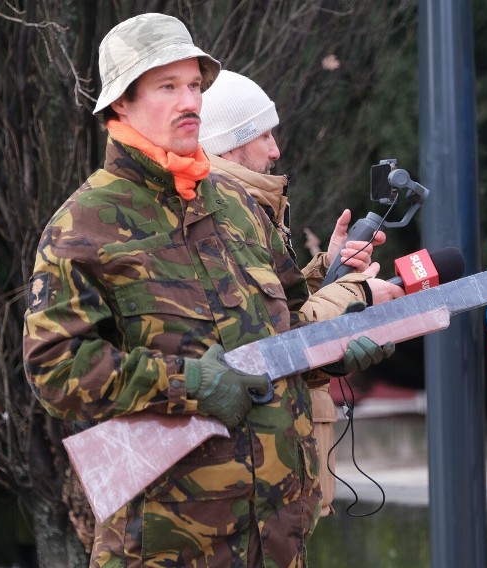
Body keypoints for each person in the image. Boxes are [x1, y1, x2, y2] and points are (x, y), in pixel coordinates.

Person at [22, 13, 396, 568]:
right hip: (167, 547)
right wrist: (190, 383)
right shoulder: (84, 225)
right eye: (167, 87)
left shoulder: (238, 208)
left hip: (275, 540)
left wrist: (341, 348)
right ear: (121, 103)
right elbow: (55, 368)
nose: (189, 101)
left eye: (195, 85)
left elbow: (287, 338)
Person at [199, 70, 404, 519]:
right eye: (265, 135)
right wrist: (357, 293)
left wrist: (325, 274)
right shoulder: (225, 211)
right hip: (257, 478)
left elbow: (273, 309)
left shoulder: (240, 205)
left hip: (273, 476)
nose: (276, 151)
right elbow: (274, 340)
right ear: (232, 144)